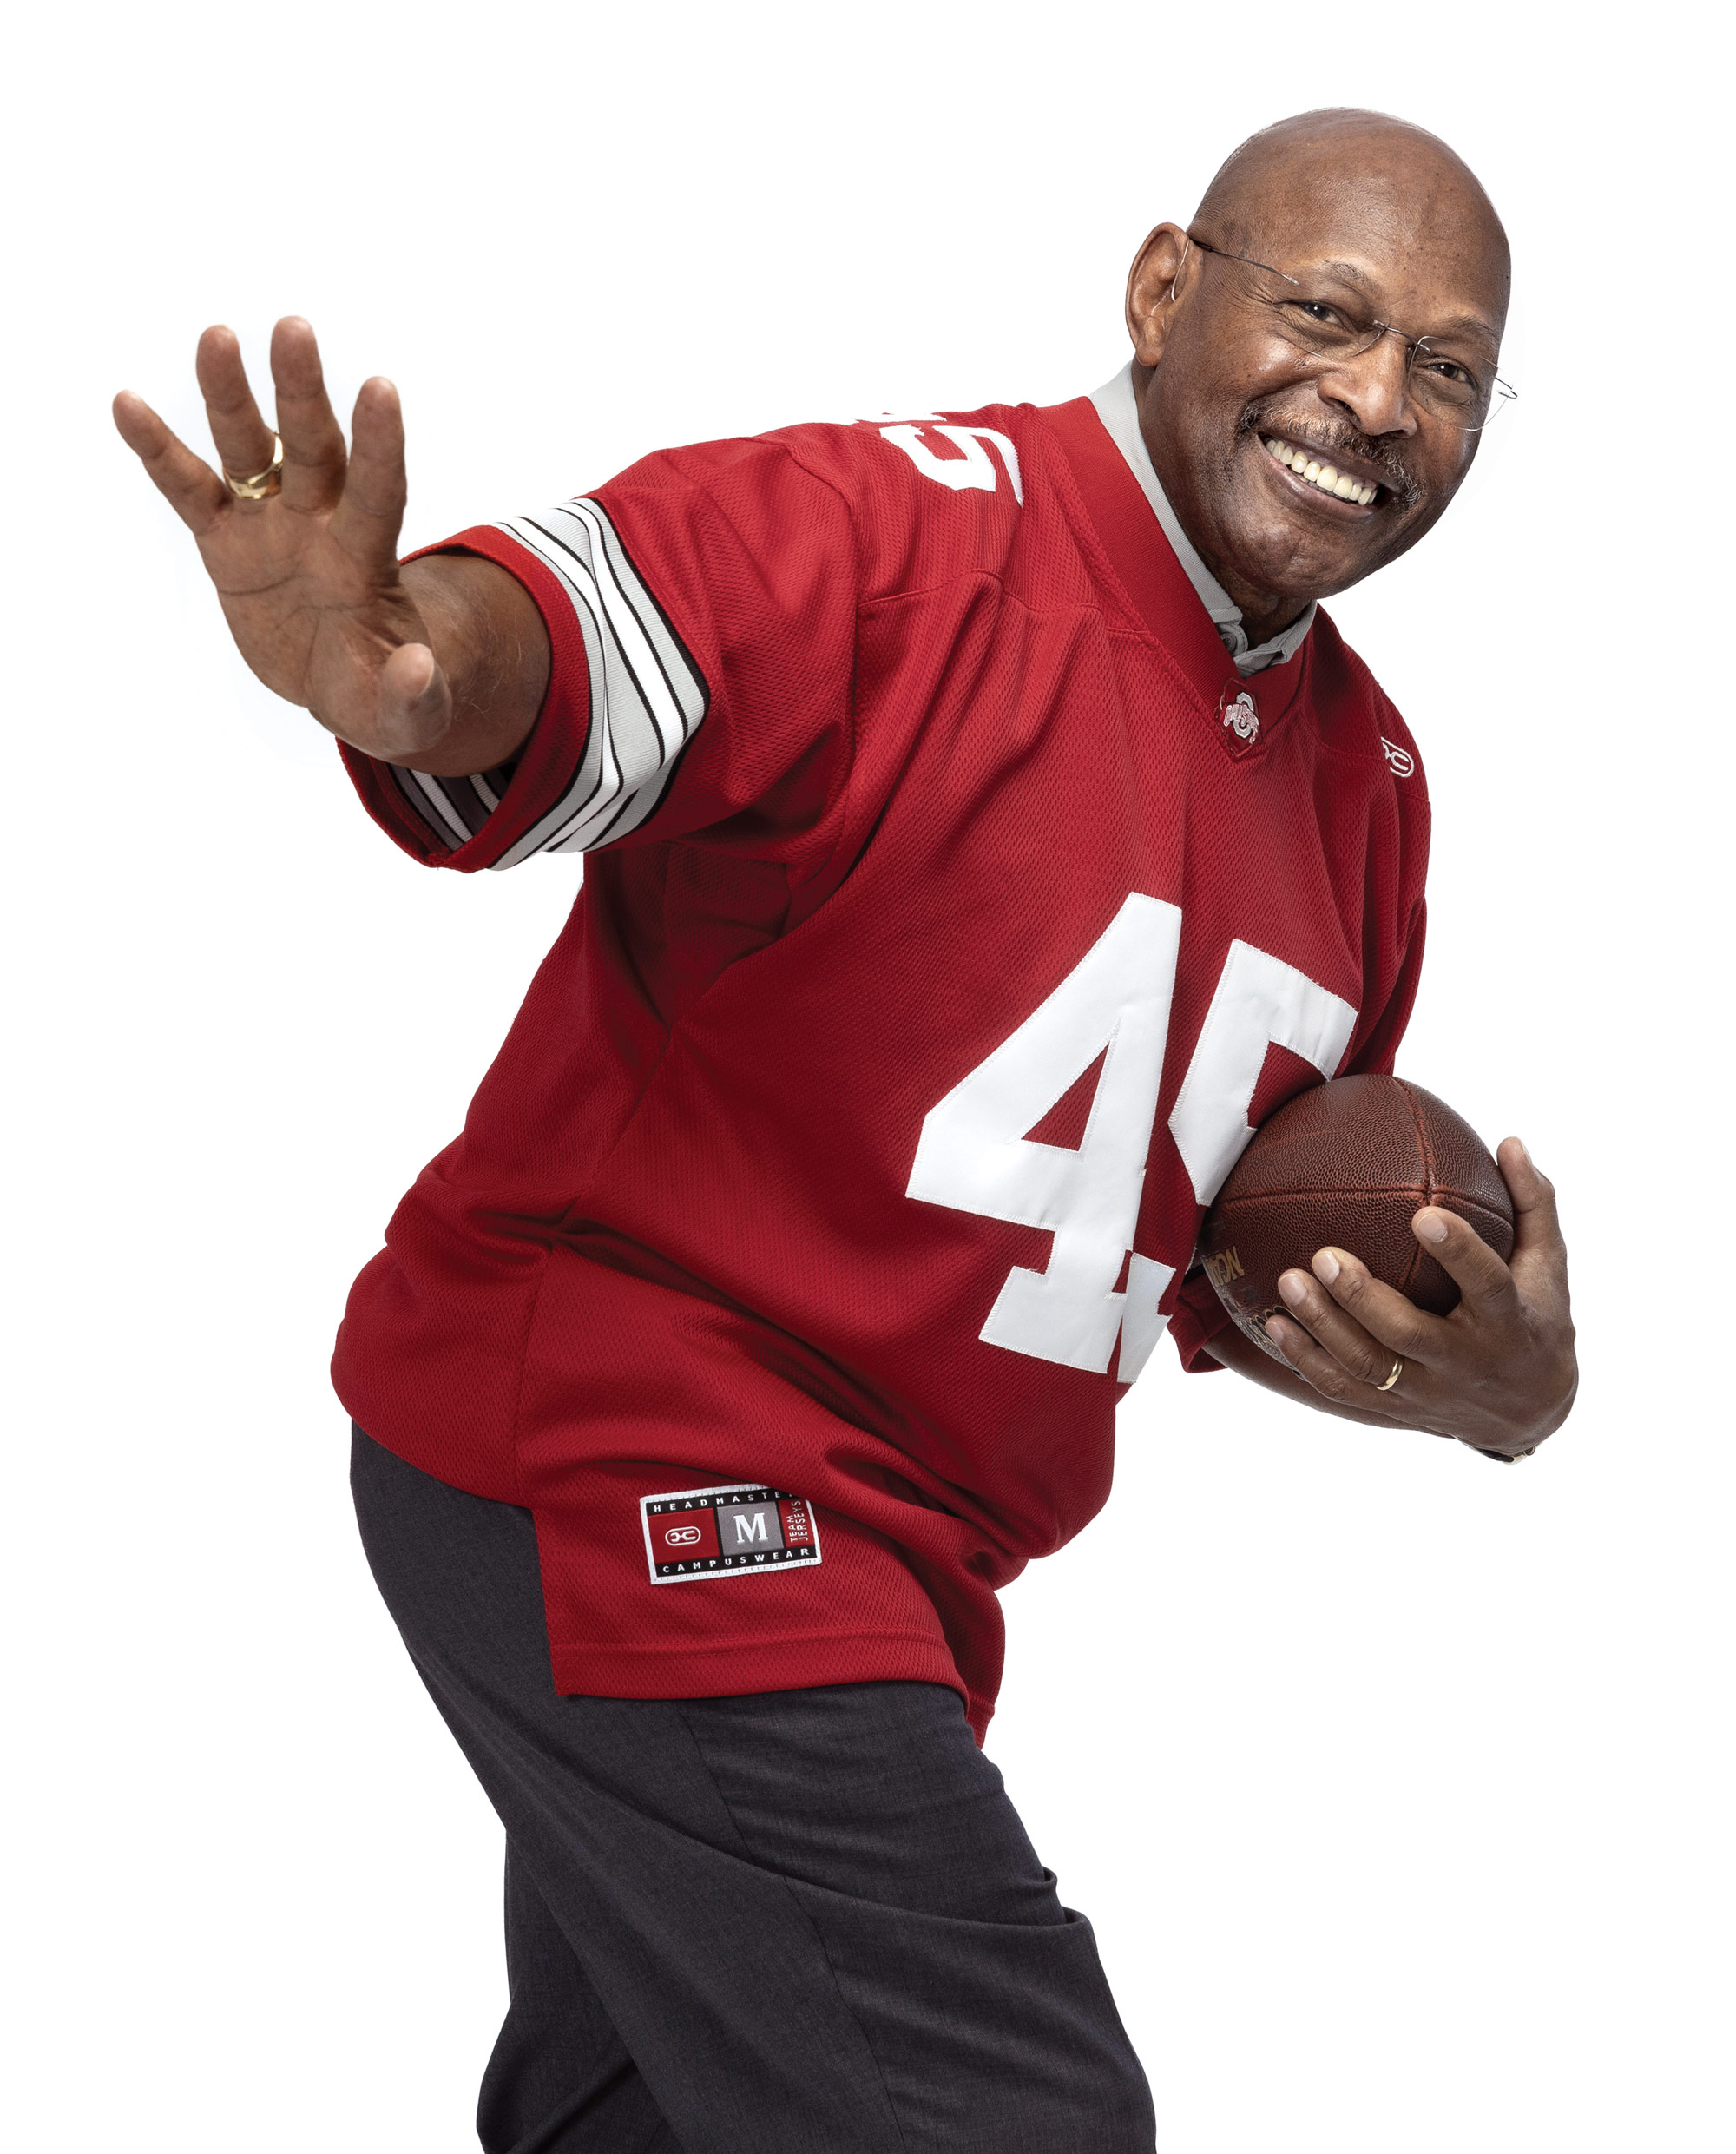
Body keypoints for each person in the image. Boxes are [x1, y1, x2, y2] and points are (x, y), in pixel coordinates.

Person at [115, 105, 1576, 2154]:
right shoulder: (889, 533)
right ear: (1165, 288)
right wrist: (413, 670)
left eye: (1445, 366)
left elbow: (1190, 1246)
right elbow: (572, 653)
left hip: (892, 1562)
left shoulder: (1372, 794)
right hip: (633, 1448)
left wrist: (1488, 1384)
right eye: (1325, 312)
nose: (1373, 399)